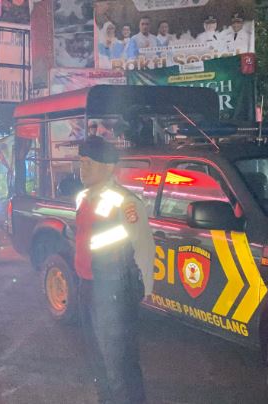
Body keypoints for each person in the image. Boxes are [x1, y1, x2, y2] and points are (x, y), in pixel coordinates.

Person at [75, 137, 155, 403]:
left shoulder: (124, 202)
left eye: (89, 163)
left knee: (119, 363)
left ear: (109, 167)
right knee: (97, 358)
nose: (82, 168)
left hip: (113, 292)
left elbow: (143, 246)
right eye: (81, 162)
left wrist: (144, 289)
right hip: (88, 286)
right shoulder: (83, 197)